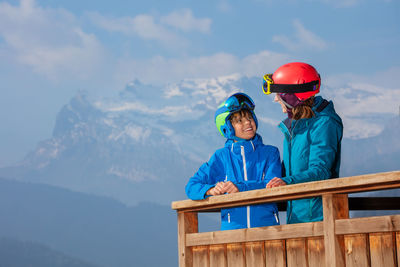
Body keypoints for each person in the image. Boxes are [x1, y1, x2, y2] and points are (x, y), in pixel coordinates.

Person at [185, 92, 282, 230]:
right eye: (239, 121)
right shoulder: (221, 157)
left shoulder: (270, 153)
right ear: (228, 128)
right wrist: (210, 190)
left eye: (250, 117)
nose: (248, 122)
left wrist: (239, 188)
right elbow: (191, 186)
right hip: (232, 235)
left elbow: (273, 184)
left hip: (268, 230)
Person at [262, 62, 343, 224]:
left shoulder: (324, 123)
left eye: (278, 94)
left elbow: (321, 171)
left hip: (319, 217)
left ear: (291, 96)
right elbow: (288, 171)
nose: (275, 99)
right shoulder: (295, 125)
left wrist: (286, 182)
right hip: (297, 215)